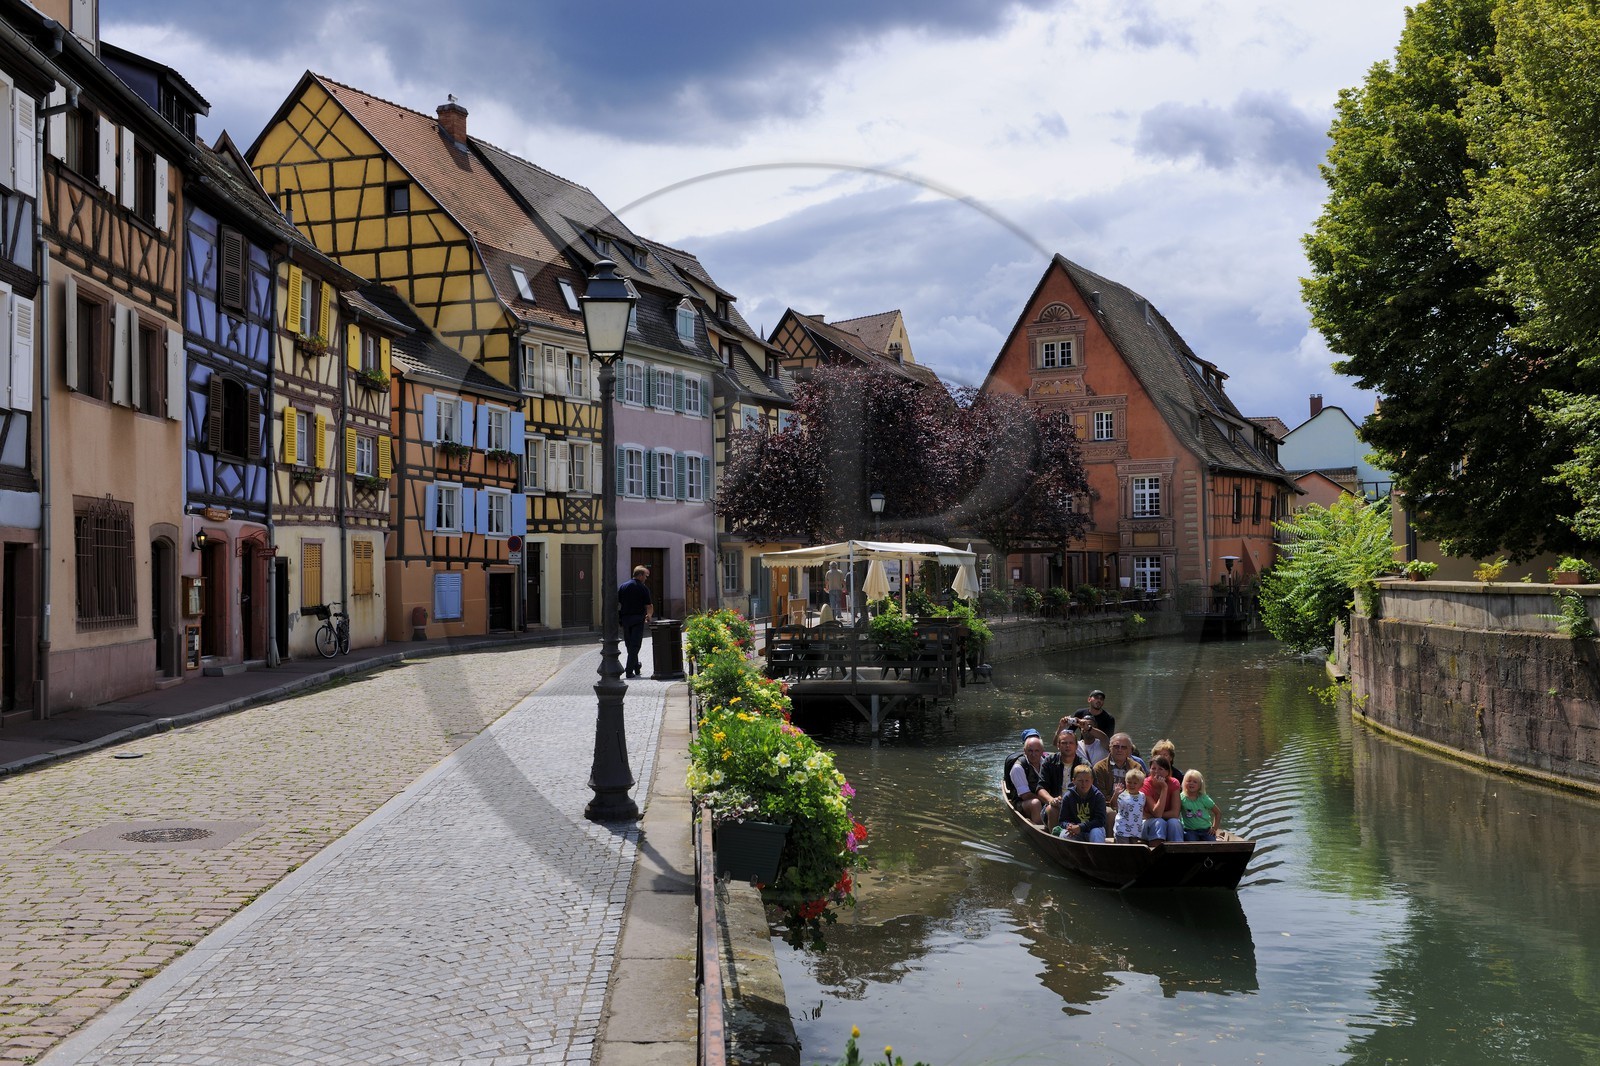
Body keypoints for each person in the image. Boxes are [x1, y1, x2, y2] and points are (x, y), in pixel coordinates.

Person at [1006, 730, 1053, 824]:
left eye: (1037, 751)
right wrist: (1049, 800)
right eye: (1030, 751)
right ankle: (1040, 828)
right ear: (1025, 751)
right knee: (1035, 803)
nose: (1033, 754)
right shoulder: (1018, 768)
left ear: (1042, 751)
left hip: (1044, 799)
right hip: (1023, 802)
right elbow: (1025, 796)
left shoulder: (1047, 763)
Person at [1038, 727, 1080, 828]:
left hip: (1078, 807)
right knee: (1052, 809)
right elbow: (1040, 788)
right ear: (1058, 746)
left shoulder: (1084, 764)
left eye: (1071, 743)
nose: (1068, 746)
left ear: (1076, 746)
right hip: (1054, 806)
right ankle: (1055, 840)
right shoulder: (1049, 762)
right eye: (1064, 743)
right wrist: (1051, 800)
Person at [617, 564, 654, 678]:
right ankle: (629, 671)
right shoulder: (643, 588)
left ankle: (636, 667)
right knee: (635, 645)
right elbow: (649, 605)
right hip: (637, 619)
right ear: (641, 575)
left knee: (629, 644)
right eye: (645, 576)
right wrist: (649, 616)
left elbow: (617, 602)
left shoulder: (623, 586)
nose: (646, 578)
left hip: (625, 619)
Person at [1057, 764, 1107, 843]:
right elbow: (1062, 820)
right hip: (1075, 831)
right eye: (1080, 781)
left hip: (1092, 829)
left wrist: (1081, 827)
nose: (1084, 784)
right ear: (1073, 781)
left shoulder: (1098, 796)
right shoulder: (1068, 797)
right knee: (1064, 835)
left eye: (1087, 780)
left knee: (1096, 833)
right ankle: (1069, 855)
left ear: (1092, 781)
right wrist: (1069, 826)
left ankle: (1097, 854)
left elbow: (1100, 820)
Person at [1092, 733, 1147, 804]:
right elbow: (1100, 793)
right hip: (1107, 805)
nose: (1119, 750)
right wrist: (1114, 803)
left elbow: (1143, 789)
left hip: (1132, 803)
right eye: (1116, 746)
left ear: (1129, 750)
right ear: (1110, 747)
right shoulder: (1099, 768)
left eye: (1123, 747)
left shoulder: (1136, 767)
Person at [1141, 757, 1183, 843]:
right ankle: (1156, 852)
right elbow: (1157, 813)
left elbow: (1175, 813)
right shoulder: (1145, 784)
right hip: (1147, 823)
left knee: (1174, 823)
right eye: (1153, 768)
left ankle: (1177, 852)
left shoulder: (1174, 783)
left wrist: (1154, 815)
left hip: (1165, 820)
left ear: (1167, 772)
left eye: (1160, 769)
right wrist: (1164, 789)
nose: (1156, 772)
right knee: (1159, 822)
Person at [1179, 769, 1222, 841]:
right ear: (1184, 783)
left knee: (1212, 845)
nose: (1191, 783)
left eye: (1195, 782)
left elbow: (1218, 813)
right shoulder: (1181, 798)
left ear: (1200, 785)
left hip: (1206, 830)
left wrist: (1214, 828)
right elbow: (1176, 813)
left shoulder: (1204, 798)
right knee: (1192, 844)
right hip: (1190, 830)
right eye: (1189, 781)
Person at [1112, 767, 1147, 844]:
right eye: (1129, 782)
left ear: (1141, 785)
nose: (1132, 785)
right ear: (1125, 782)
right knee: (1124, 851)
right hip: (1122, 829)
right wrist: (1116, 794)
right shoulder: (1122, 796)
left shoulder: (1142, 796)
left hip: (1135, 830)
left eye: (1135, 783)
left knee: (1133, 851)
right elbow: (1113, 805)